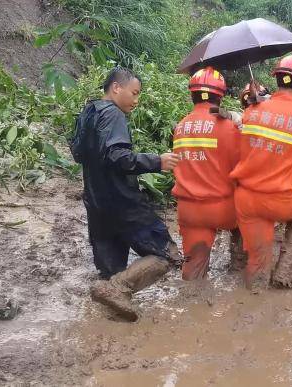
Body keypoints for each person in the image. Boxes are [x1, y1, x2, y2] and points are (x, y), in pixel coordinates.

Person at [73, 67, 181, 321]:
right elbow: (117, 156)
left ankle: (108, 324)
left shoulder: (88, 112)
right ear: (116, 88)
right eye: (134, 93)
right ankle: (117, 289)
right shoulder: (113, 115)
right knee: (165, 254)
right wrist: (157, 161)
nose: (136, 99)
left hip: (96, 202)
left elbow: (77, 153)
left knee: (111, 269)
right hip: (123, 202)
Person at [229, 53, 292, 291]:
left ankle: (255, 287)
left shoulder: (252, 110)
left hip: (246, 198)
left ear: (278, 79)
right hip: (280, 197)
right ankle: (284, 270)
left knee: (257, 264)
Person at [171, 67, 243, 280]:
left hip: (189, 210)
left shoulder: (181, 126)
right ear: (220, 97)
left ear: (192, 95)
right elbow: (242, 169)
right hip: (224, 208)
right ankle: (239, 268)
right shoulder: (229, 126)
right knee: (252, 216)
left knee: (193, 275)